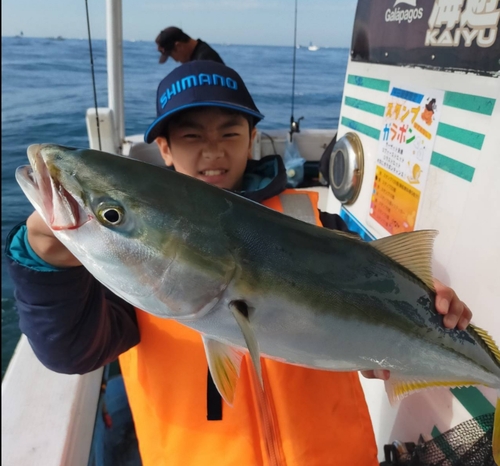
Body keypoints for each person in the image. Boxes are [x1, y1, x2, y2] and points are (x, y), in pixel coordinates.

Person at [6, 61, 472, 466]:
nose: (213, 151)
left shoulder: (320, 223)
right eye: (191, 137)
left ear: (252, 138)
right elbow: (70, 350)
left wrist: (424, 316)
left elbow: (367, 322)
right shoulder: (124, 269)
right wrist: (44, 262)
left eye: (230, 132)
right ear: (164, 150)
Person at [156, 26, 224, 65]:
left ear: (179, 46)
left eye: (172, 55)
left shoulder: (204, 61)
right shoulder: (199, 54)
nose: (176, 60)